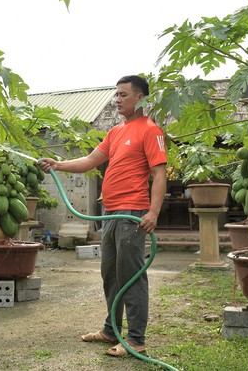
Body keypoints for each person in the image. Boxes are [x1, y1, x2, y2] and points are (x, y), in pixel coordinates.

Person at [38, 75, 167, 357]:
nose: (117, 99)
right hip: (110, 213)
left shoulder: (150, 130)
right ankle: (111, 329)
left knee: (130, 275)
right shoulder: (116, 131)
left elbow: (159, 174)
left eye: (123, 95)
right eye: (116, 94)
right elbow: (89, 162)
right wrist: (58, 164)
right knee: (110, 273)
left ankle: (135, 338)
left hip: (133, 213)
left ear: (140, 97)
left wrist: (153, 212)